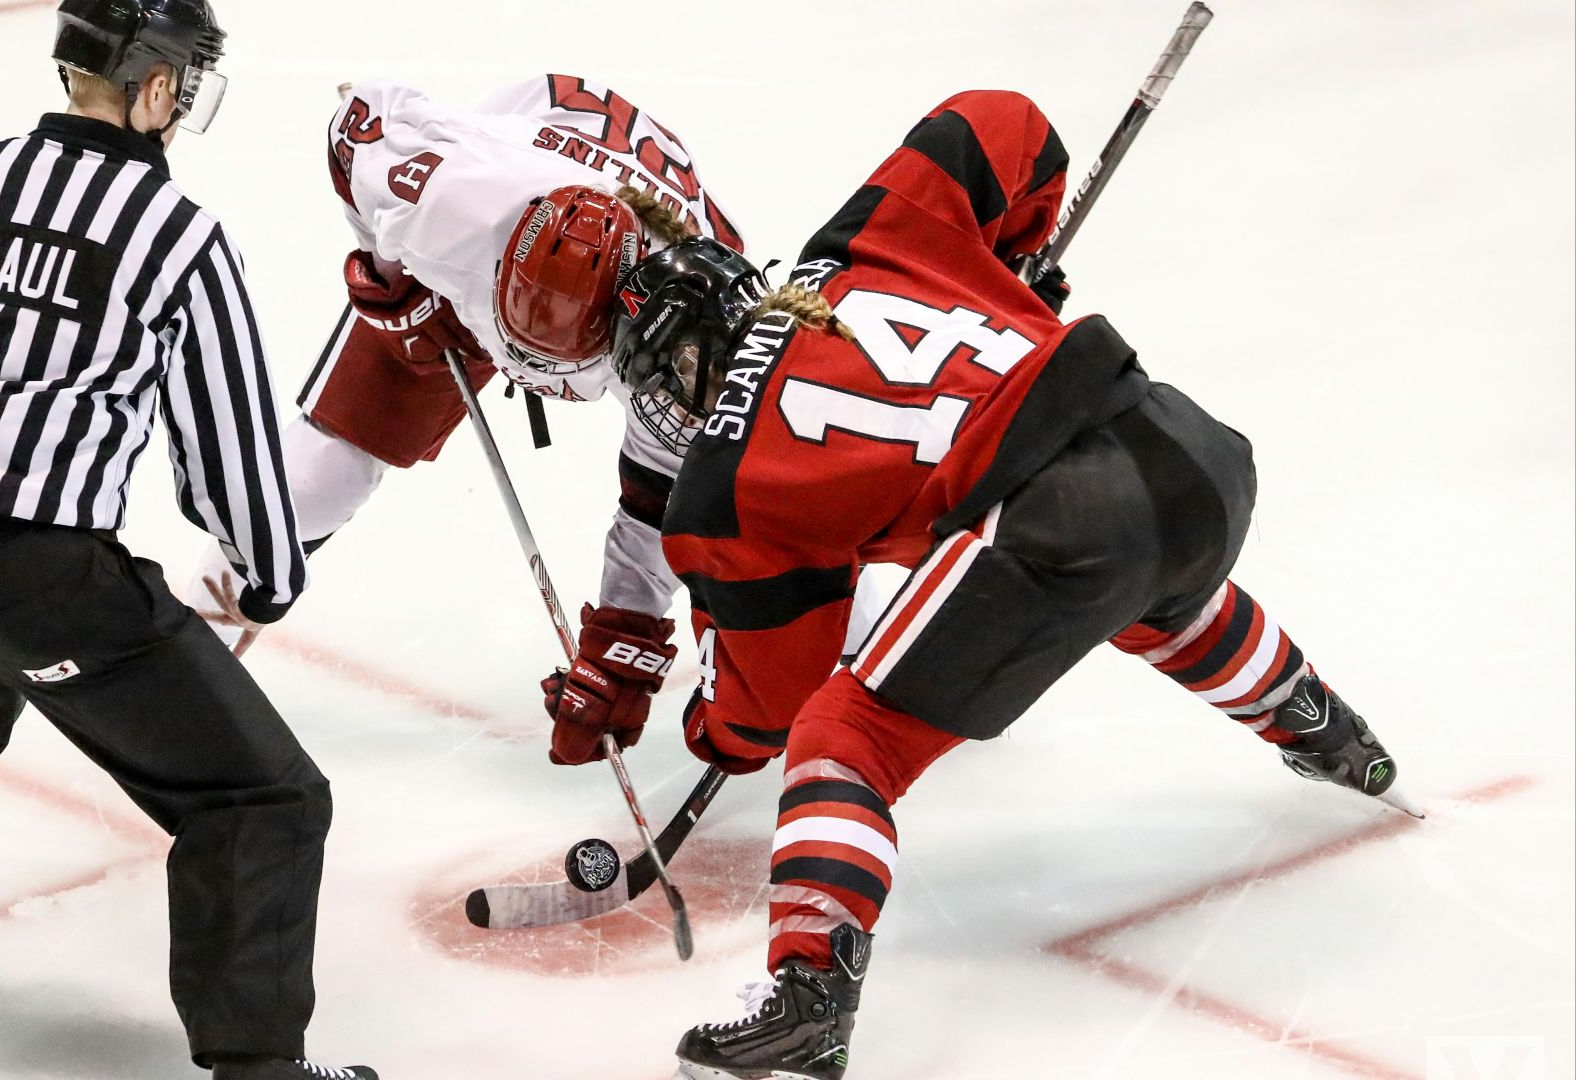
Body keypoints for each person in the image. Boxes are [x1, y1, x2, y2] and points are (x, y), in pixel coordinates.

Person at [598, 90, 1415, 1080]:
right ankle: (1329, 733)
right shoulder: (855, 243)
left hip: (1060, 521)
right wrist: (1009, 259)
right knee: (1152, 593)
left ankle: (809, 1002)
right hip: (1189, 451)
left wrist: (716, 734)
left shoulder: (721, 483)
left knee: (846, 739)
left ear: (687, 358)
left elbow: (771, 704)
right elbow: (996, 123)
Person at [0, 2, 372, 1077]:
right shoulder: (176, 235)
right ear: (155, 87)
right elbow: (224, 451)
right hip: (39, 580)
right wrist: (268, 575)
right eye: (184, 85)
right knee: (262, 795)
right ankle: (258, 1065)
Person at [183, 77, 892, 762]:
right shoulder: (455, 204)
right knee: (316, 483)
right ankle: (181, 660)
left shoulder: (682, 338)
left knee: (736, 489)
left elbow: (654, 507)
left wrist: (621, 646)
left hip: (591, 267)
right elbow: (360, 117)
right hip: (485, 251)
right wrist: (392, 276)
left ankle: (871, 653)